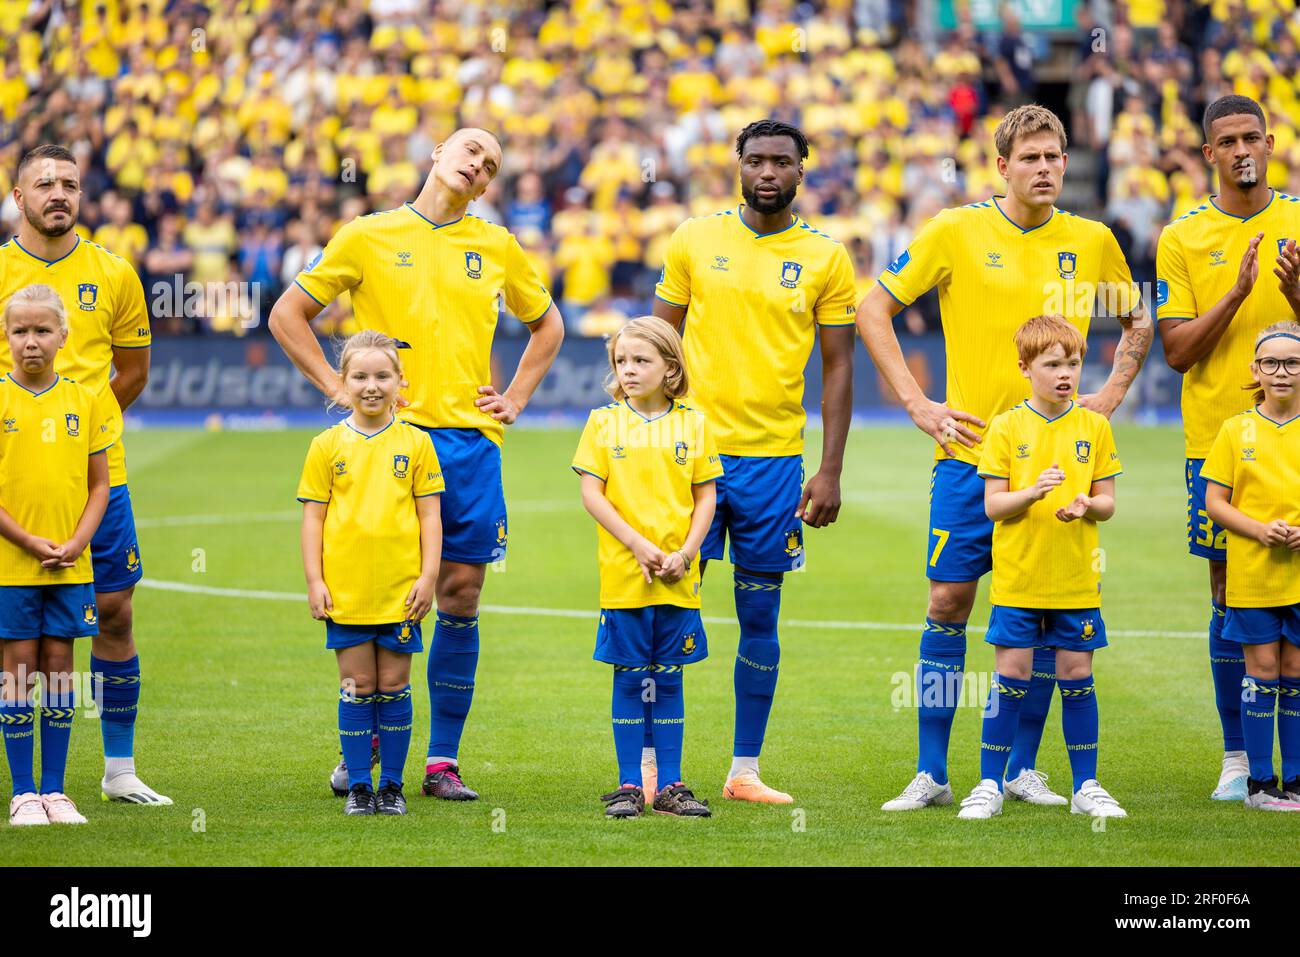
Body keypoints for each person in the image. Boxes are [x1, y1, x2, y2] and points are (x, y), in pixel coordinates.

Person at [858, 104, 1151, 811]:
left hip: (1056, 463)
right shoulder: (956, 230)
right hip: (967, 456)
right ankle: (932, 770)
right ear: (1002, 166)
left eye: (1055, 156)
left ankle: (1020, 767)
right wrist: (917, 405)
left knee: (1043, 614)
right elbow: (872, 309)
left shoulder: (1092, 240)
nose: (1046, 168)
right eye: (1031, 158)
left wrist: (1108, 393)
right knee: (948, 601)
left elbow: (1137, 318)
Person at [269, 128, 564, 801]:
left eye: (491, 163)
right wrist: (335, 387)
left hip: (468, 444)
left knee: (459, 594)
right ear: (437, 153)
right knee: (380, 598)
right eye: (471, 150)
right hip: (389, 442)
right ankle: (366, 747)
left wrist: (515, 394)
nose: (480, 164)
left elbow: (548, 325)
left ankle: (440, 761)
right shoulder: (367, 234)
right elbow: (290, 313)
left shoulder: (497, 246)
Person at [652, 119, 857, 804]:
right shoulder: (693, 238)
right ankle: (654, 767)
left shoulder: (827, 257)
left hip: (774, 462)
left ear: (802, 170)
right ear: (736, 165)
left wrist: (828, 469)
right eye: (757, 160)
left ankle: (743, 769)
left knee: (760, 616)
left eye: (782, 161)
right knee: (669, 604)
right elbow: (657, 344)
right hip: (691, 455)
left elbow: (837, 367)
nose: (768, 171)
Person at [0, 145, 168, 805]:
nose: (59, 193)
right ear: (19, 195)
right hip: (17, 482)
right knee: (17, 633)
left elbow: (132, 370)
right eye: (45, 183)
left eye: (69, 182)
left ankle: (119, 769)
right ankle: (30, 786)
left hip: (100, 479)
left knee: (116, 613)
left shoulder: (114, 272)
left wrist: (78, 434)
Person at [1155, 94, 1300, 801]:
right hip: (1218, 445)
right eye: (1227, 140)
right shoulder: (1181, 236)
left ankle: (1293, 764)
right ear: (1207, 153)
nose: (1242, 149)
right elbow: (1176, 350)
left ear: (1269, 142)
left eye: (1252, 136)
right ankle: (1238, 756)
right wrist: (1238, 295)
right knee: (1228, 594)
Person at [958, 315, 1126, 820]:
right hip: (1019, 578)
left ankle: (1086, 785)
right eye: (1052, 364)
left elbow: (1109, 502)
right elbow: (992, 506)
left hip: (1076, 580)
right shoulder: (1008, 427)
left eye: (1073, 364)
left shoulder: (1094, 426)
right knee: (1011, 676)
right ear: (1025, 368)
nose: (1065, 374)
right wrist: (1031, 493)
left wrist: (1085, 506)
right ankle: (990, 783)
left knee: (1077, 676)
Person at [572, 317, 721, 818]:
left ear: (671, 367)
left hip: (679, 576)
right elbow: (592, 494)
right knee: (632, 677)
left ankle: (672, 786)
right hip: (625, 574)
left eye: (641, 360)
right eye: (621, 361)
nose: (629, 370)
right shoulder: (603, 422)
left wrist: (686, 553)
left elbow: (706, 497)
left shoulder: (694, 424)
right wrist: (637, 544)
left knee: (670, 677)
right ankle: (630, 786)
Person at [297, 331, 443, 816]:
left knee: (396, 685)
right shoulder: (326, 446)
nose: (372, 386)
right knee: (357, 686)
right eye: (360, 376)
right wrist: (315, 581)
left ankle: (393, 787)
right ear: (343, 382)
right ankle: (360, 785)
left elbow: (429, 516)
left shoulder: (417, 444)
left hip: (401, 591)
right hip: (348, 591)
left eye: (383, 375)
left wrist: (428, 577)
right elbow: (314, 517)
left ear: (402, 382)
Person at [0, 284, 113, 825]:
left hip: (70, 565)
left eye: (42, 331)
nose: (31, 342)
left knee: (61, 669)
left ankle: (55, 790)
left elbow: (99, 488)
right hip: (11, 566)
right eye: (20, 331)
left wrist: (76, 543)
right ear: (5, 335)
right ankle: (23, 792)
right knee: (19, 671)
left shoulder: (83, 401)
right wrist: (26, 540)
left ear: (63, 337)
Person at [1202, 321, 1300, 811]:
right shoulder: (1236, 429)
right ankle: (1261, 784)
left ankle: (1296, 780)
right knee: (1262, 670)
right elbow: (1215, 501)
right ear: (1255, 371)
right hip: (1254, 572)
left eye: (1292, 363)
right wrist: (1259, 530)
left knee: (1296, 669)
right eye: (1271, 363)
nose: (1281, 372)